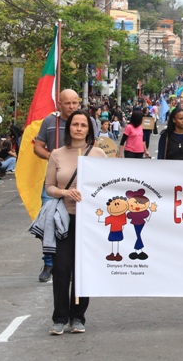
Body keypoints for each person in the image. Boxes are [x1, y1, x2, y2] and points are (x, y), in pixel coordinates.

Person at [45, 110, 107, 335]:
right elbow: (49, 187)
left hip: (89, 221)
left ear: (89, 129)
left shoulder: (98, 154)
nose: (79, 128)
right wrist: (64, 192)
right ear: (68, 127)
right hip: (64, 219)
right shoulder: (56, 154)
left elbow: (108, 185)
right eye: (75, 124)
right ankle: (60, 318)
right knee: (61, 268)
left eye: (83, 125)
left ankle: (78, 317)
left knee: (83, 268)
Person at [32, 88, 82, 282]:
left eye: (75, 103)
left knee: (76, 223)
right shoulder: (50, 122)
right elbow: (38, 146)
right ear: (59, 104)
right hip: (55, 181)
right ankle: (49, 263)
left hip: (80, 182)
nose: (71, 106)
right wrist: (52, 157)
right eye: (67, 103)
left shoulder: (85, 121)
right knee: (49, 221)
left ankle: (75, 263)